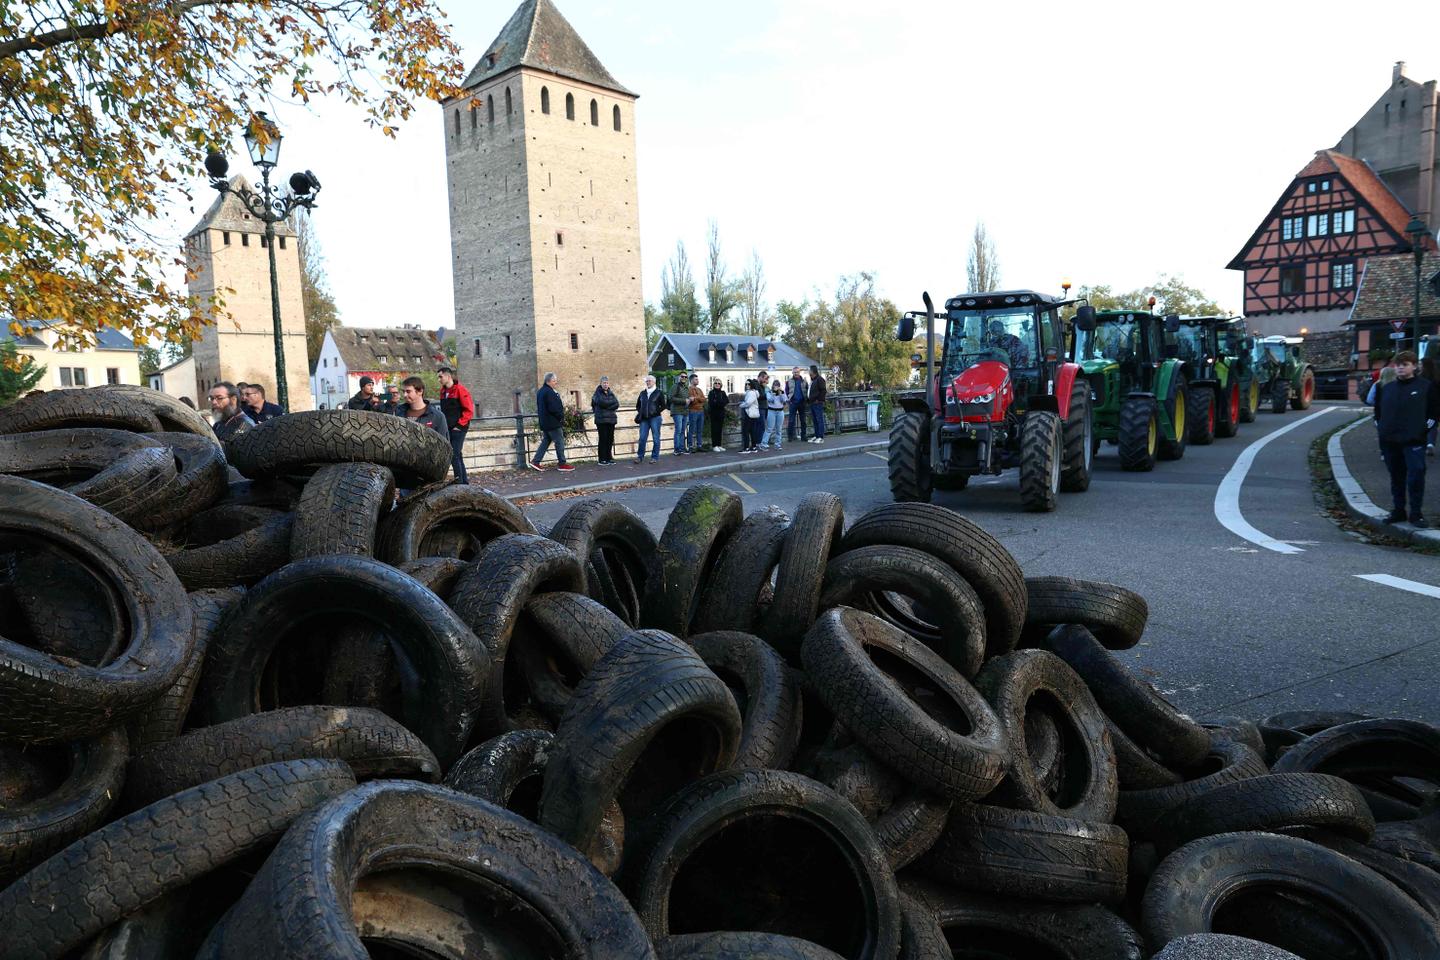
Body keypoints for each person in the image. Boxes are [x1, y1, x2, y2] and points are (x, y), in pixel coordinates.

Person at [1373, 350, 1439, 527]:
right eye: (1398, 365)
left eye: (1405, 365)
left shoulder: (1426, 386)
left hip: (1414, 441)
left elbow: (1433, 414)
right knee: (1396, 476)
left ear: (1414, 367)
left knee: (1416, 475)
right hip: (1390, 441)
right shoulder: (1387, 388)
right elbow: (1378, 413)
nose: (1400, 368)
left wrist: (1422, 431)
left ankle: (1416, 513)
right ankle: (1398, 510)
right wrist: (1383, 431)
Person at [437, 367, 474, 485]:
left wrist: (459, 425)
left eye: (440, 376)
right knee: (457, 455)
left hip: (459, 427)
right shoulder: (443, 392)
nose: (439, 379)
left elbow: (469, 410)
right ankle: (464, 482)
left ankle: (460, 482)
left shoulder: (460, 390)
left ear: (448, 376)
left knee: (453, 454)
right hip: (449, 428)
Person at [531, 372, 571, 472]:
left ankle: (535, 461)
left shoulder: (540, 391)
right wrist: (561, 417)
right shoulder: (549, 392)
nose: (555, 382)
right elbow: (553, 408)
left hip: (545, 422)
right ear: (548, 381)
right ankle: (562, 464)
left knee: (546, 441)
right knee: (559, 442)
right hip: (553, 422)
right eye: (554, 381)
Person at [395, 376, 449, 446]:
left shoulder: (437, 416)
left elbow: (444, 446)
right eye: (403, 391)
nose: (405, 395)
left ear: (420, 391)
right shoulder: (397, 413)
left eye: (408, 391)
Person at [635, 375, 664, 463]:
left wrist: (655, 412)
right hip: (644, 419)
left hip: (655, 418)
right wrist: (642, 412)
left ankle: (654, 457)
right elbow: (638, 405)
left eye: (649, 381)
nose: (648, 382)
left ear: (654, 382)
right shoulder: (642, 393)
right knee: (642, 438)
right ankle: (640, 457)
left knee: (656, 438)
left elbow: (663, 405)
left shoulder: (659, 392)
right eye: (647, 381)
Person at [592, 376, 619, 465]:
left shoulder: (611, 393)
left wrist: (607, 408)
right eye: (604, 383)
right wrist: (610, 407)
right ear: (601, 384)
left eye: (607, 383)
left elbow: (617, 403)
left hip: (611, 420)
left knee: (610, 439)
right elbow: (601, 402)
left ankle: (609, 457)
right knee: (603, 439)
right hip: (601, 420)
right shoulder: (597, 394)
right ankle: (602, 459)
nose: (606, 384)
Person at [761, 379, 786, 451]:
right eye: (775, 385)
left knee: (779, 429)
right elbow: (770, 400)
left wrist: (781, 394)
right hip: (771, 411)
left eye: (777, 385)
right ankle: (764, 443)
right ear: (772, 386)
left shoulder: (782, 392)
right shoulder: (769, 392)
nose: (776, 387)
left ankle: (778, 444)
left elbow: (784, 401)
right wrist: (773, 394)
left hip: (780, 411)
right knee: (769, 428)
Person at [669, 375, 691, 456]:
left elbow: (687, 399)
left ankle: (682, 449)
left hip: (685, 412)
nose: (684, 378)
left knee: (682, 431)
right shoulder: (675, 386)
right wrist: (684, 401)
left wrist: (689, 399)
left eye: (685, 377)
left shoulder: (686, 388)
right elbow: (671, 398)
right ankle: (676, 449)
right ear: (679, 377)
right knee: (678, 431)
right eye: (682, 376)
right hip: (677, 412)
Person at [787, 367, 808, 443]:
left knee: (803, 421)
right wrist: (789, 400)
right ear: (792, 373)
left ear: (799, 373)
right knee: (791, 421)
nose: (796, 373)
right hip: (793, 403)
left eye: (797, 372)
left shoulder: (804, 381)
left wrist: (806, 400)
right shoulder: (789, 381)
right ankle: (790, 437)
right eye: (794, 372)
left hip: (802, 402)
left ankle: (803, 436)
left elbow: (807, 390)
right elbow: (786, 391)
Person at [707, 379, 729, 451]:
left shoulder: (723, 392)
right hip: (713, 413)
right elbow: (711, 403)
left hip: (721, 413)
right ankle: (714, 445)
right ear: (713, 384)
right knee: (714, 429)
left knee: (720, 429)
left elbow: (726, 401)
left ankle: (719, 445)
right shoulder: (711, 392)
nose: (717, 384)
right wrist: (719, 403)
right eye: (715, 383)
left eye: (719, 383)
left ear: (721, 385)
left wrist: (718, 402)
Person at [740, 379, 762, 452]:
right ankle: (753, 447)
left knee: (746, 431)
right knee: (752, 431)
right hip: (752, 414)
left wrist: (741, 405)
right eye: (746, 384)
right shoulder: (753, 393)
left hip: (749, 414)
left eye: (748, 384)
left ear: (751, 385)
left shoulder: (751, 393)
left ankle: (746, 448)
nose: (747, 385)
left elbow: (748, 403)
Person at [808, 365, 828, 442]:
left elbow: (823, 391)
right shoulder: (813, 380)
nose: (808, 372)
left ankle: (821, 437)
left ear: (813, 371)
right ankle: (816, 435)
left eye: (809, 370)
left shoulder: (820, 379)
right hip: (812, 402)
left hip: (817, 403)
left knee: (819, 419)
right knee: (815, 420)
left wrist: (819, 400)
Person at [687, 375, 706, 453]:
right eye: (696, 379)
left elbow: (704, 399)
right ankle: (690, 446)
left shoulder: (699, 389)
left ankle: (699, 446)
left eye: (697, 379)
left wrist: (696, 398)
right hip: (693, 411)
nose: (697, 381)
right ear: (691, 380)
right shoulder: (688, 390)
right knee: (692, 429)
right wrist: (698, 399)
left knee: (700, 429)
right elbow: (691, 401)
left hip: (701, 411)